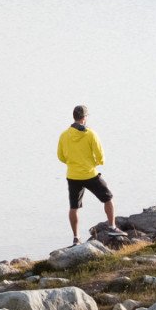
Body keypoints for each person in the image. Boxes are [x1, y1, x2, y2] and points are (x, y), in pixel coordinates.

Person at [57, 104, 117, 244]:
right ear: (84, 118)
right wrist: (94, 163)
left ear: (74, 117)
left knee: (74, 207)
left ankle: (76, 238)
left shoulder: (64, 135)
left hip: (73, 176)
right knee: (108, 198)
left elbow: (60, 156)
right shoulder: (90, 134)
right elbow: (100, 156)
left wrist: (73, 163)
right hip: (90, 174)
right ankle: (112, 227)